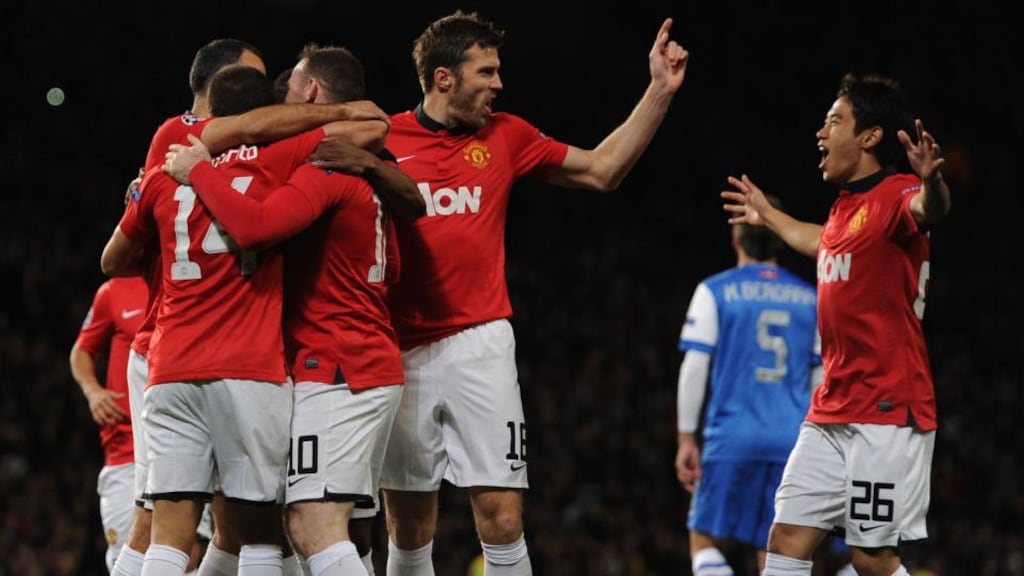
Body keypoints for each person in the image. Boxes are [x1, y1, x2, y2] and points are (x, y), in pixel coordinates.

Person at [378, 10, 688, 575]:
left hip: (480, 342)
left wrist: (659, 92)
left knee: (500, 518)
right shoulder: (382, 140)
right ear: (444, 78)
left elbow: (602, 170)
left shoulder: (507, 135)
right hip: (399, 349)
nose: (499, 84)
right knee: (409, 524)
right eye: (487, 71)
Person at [108, 38, 390, 576]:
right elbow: (373, 129)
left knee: (166, 533)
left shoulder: (171, 158)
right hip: (248, 366)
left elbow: (112, 259)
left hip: (167, 358)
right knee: (260, 531)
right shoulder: (281, 155)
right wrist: (338, 112)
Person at [720, 73, 951, 576]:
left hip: (886, 408)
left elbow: (928, 208)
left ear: (869, 137)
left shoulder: (897, 194)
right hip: (832, 408)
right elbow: (821, 241)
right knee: (785, 540)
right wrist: (768, 215)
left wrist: (932, 181)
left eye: (834, 121)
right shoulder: (847, 207)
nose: (820, 133)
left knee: (871, 559)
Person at [674, 195, 821, 575]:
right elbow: (820, 379)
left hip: (732, 437)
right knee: (774, 550)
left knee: (702, 538)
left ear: (735, 238)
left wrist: (687, 438)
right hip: (792, 441)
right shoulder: (812, 299)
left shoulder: (715, 291)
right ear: (779, 237)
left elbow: (695, 365)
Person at [70, 276, 149, 572]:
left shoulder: (184, 282)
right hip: (124, 449)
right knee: (127, 556)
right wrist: (93, 391)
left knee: (189, 553)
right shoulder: (114, 291)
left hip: (178, 442)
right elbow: (81, 351)